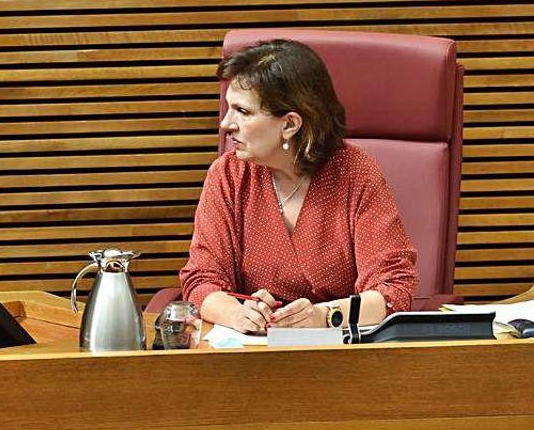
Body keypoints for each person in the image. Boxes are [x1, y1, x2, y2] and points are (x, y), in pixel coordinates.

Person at [179, 39, 418, 335]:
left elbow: (393, 290)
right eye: (229, 109)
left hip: (343, 357)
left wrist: (322, 316)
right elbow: (202, 280)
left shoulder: (356, 173)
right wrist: (239, 314)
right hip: (251, 360)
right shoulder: (228, 175)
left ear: (290, 124)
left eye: (243, 111)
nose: (226, 124)